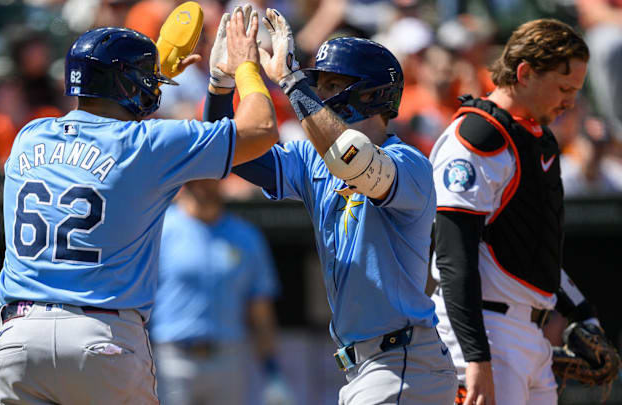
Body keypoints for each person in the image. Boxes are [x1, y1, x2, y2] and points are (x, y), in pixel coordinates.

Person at [0, 8, 279, 404]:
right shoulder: (148, 145)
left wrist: (146, 75)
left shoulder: (29, 135)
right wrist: (244, 67)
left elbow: (105, 128)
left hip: (18, 340)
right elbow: (261, 130)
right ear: (129, 86)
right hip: (100, 337)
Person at [206, 8, 457, 405]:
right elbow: (229, 154)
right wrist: (222, 84)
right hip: (367, 367)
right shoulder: (311, 158)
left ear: (371, 94)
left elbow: (352, 159)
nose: (319, 94)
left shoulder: (411, 165)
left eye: (332, 84)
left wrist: (291, 82)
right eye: (318, 84)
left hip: (404, 362)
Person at [429, 18, 611, 405]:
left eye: (576, 90)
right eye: (564, 88)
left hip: (530, 335)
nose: (570, 102)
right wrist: (476, 357)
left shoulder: (537, 140)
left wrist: (584, 316)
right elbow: (453, 257)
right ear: (525, 73)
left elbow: (532, 248)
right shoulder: (478, 136)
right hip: (483, 332)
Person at [151, 178, 289, 405]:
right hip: (171, 357)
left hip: (228, 357)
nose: (205, 184)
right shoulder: (161, 230)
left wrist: (272, 371)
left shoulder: (245, 235)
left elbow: (260, 310)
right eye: (198, 178)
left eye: (212, 177)